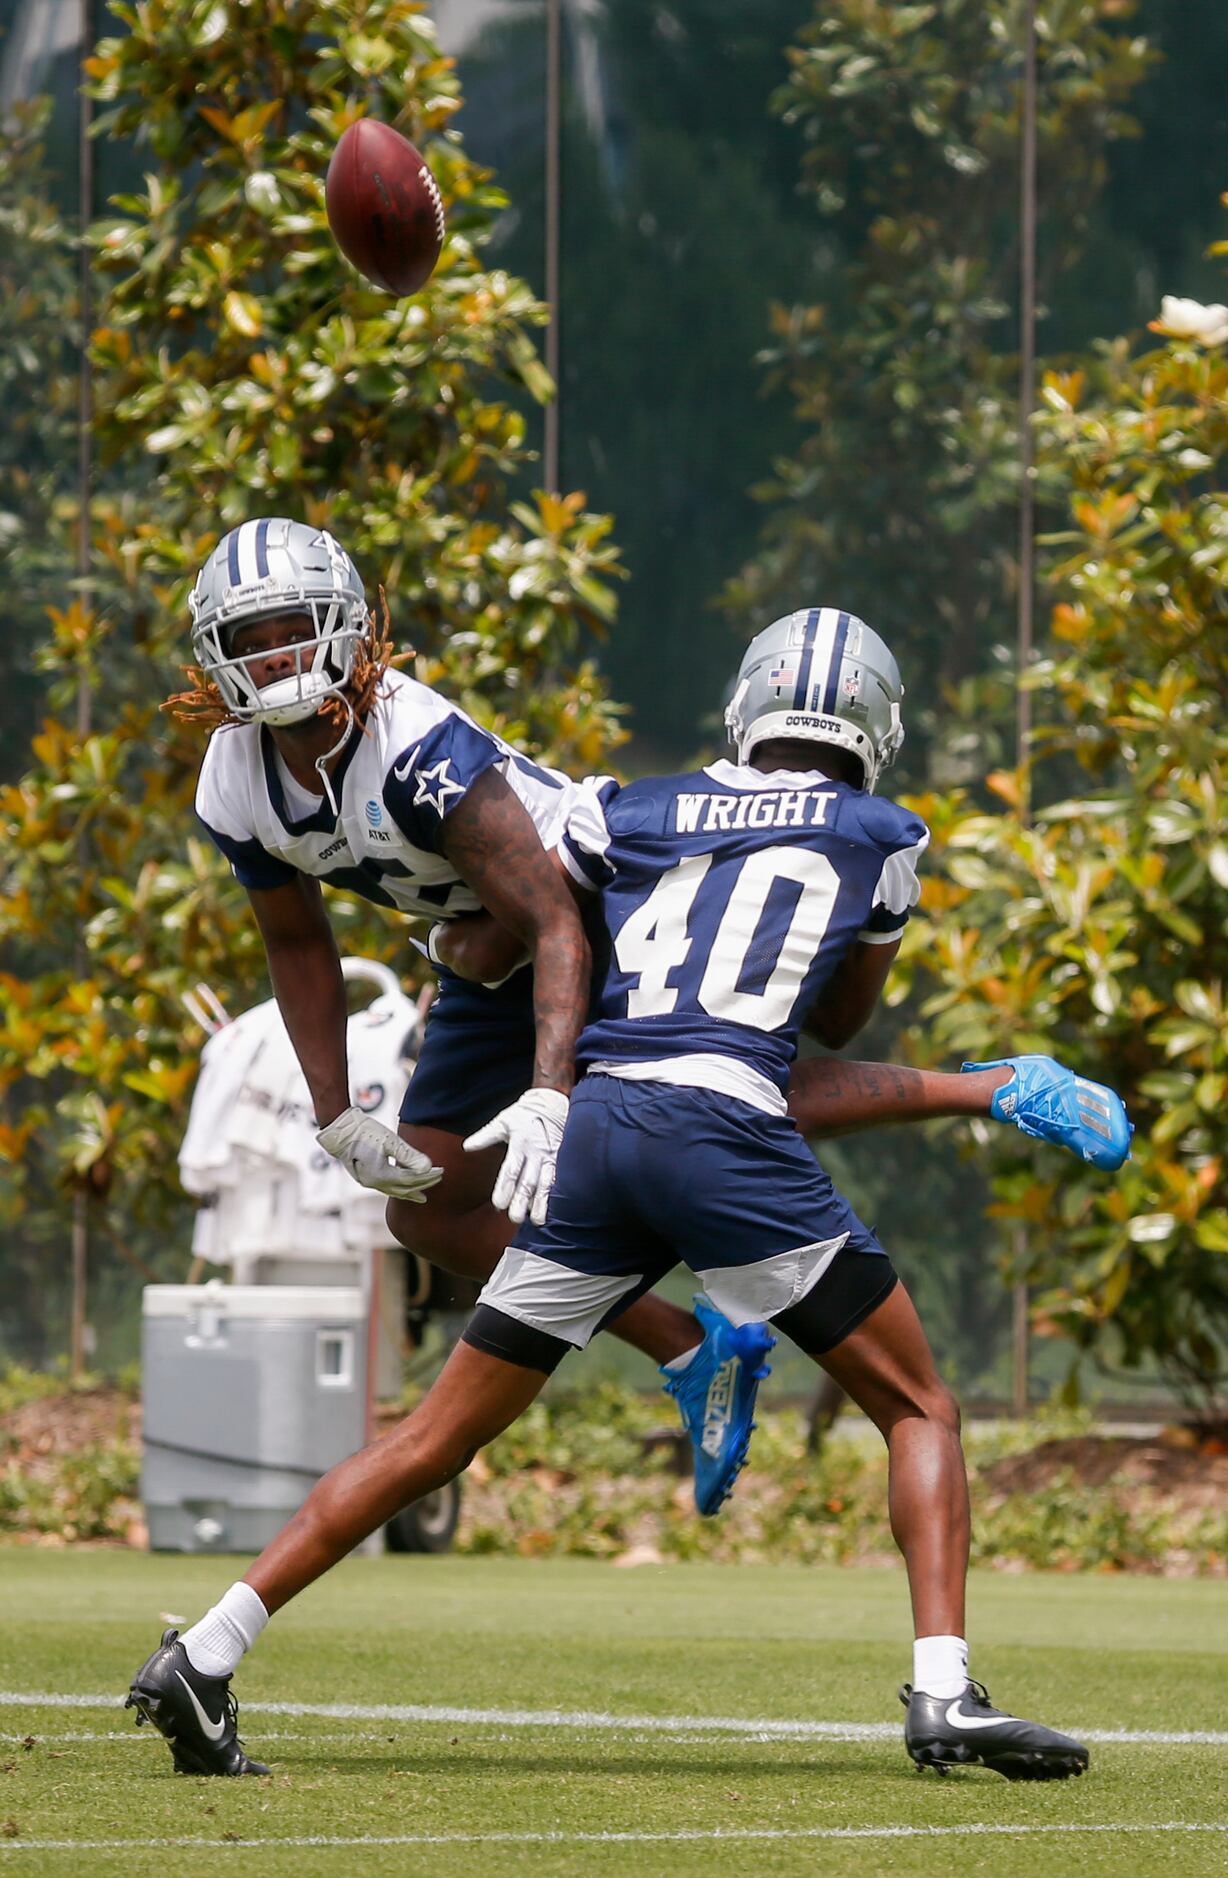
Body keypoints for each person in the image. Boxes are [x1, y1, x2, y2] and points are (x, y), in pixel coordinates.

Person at [130, 605, 1125, 1778]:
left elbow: (516, 937)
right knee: (917, 1409)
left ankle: (203, 1654)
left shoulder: (620, 809)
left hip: (592, 1138)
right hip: (724, 1145)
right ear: (879, 725)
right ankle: (945, 1692)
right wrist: (987, 1085)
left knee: (434, 1437)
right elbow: (805, 1051)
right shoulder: (882, 832)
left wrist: (475, 986)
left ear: (741, 705)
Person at [174, 520, 1129, 1516]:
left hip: (588, 908)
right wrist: (334, 1111)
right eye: (251, 637)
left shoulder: (413, 746)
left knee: (709, 1090)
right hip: (494, 953)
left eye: (293, 626)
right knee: (430, 1212)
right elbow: (297, 943)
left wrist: (542, 1080)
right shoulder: (236, 778)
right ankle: (690, 1344)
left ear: (346, 625)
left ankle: (995, 1088)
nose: (276, 655)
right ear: (214, 658)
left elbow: (546, 915)